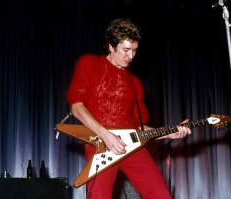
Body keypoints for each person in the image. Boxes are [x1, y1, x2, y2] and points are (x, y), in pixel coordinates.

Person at [66, 18, 192, 199]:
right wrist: (106, 135)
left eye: (134, 51)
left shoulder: (134, 83)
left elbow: (139, 128)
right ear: (111, 46)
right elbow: (77, 107)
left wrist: (169, 133)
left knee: (161, 195)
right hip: (101, 144)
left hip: (132, 146)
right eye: (126, 50)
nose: (131, 56)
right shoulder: (90, 64)